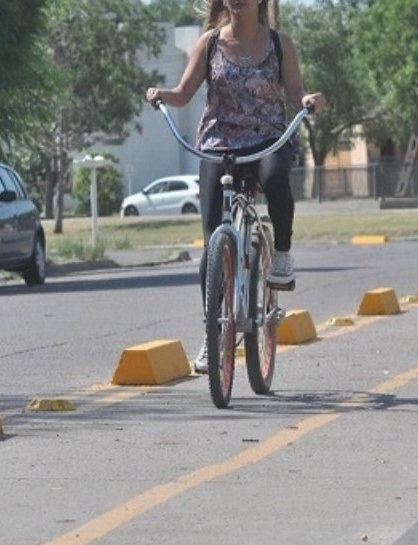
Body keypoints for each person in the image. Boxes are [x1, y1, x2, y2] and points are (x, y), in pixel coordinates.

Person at [145, 0, 325, 372]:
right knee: (213, 242)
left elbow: (295, 92)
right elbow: (183, 93)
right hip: (218, 144)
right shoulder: (209, 43)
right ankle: (214, 335)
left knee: (276, 179)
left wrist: (307, 100)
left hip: (267, 140)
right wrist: (162, 95)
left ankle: (282, 256)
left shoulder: (279, 44)